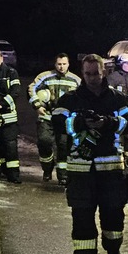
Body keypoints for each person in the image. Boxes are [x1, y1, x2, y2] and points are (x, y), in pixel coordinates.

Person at [52, 53, 128, 254]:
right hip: (81, 172)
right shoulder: (71, 99)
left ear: (104, 72)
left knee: (113, 218)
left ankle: (113, 252)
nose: (92, 78)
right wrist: (79, 121)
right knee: (82, 220)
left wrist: (109, 123)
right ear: (83, 73)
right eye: (88, 74)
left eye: (96, 73)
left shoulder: (116, 100)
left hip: (111, 172)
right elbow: (58, 122)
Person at [28, 53, 81, 183]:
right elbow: (31, 88)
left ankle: (63, 176)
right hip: (47, 116)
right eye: (59, 64)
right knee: (44, 141)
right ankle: (47, 168)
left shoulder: (76, 80)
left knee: (63, 146)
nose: (61, 67)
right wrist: (37, 106)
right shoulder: (44, 76)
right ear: (55, 64)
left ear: (68, 64)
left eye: (64, 64)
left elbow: (83, 96)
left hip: (65, 119)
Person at [0, 46, 21, 184]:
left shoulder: (11, 72)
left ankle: (13, 176)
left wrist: (1, 105)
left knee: (10, 146)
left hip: (8, 116)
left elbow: (15, 91)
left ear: (1, 58)